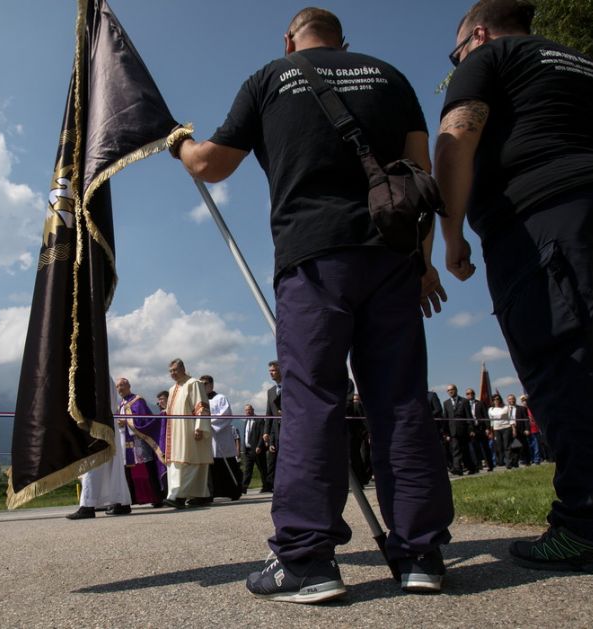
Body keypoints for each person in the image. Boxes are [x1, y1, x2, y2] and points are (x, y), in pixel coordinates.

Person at [172, 7, 453, 601]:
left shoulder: (270, 77)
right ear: (343, 40)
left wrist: (178, 142)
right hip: (393, 256)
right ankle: (420, 554)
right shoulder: (392, 77)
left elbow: (210, 164)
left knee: (312, 399)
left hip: (313, 259)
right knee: (401, 399)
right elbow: (422, 178)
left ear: (289, 39)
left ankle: (308, 560)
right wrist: (424, 262)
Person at [436, 0, 593, 575]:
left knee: (562, 357)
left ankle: (592, 525)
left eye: (456, 53)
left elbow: (456, 139)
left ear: (477, 35)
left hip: (541, 216)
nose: (459, 60)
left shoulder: (491, 56)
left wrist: (450, 235)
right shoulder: (579, 61)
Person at [66, 379, 132, 520]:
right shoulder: (105, 374)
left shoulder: (95, 373)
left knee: (93, 462)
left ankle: (88, 505)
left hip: (97, 423)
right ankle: (121, 501)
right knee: (112, 465)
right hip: (106, 422)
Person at [162, 359, 212, 509]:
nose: (173, 374)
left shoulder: (194, 383)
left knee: (190, 462)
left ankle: (178, 496)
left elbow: (201, 405)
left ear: (183, 368)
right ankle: (200, 495)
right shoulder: (172, 389)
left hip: (190, 430)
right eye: (170, 371)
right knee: (179, 462)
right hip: (175, 431)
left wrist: (200, 427)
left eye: (175, 370)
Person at [115, 378, 165, 508]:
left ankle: (156, 497)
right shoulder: (121, 404)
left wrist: (126, 422)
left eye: (122, 385)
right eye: (117, 386)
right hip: (126, 443)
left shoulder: (138, 401)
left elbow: (143, 419)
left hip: (140, 441)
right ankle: (135, 498)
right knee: (130, 471)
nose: (119, 388)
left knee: (147, 469)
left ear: (129, 386)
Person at [200, 375, 242, 503]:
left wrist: (208, 423)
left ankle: (234, 491)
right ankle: (212, 492)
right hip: (206, 439)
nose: (203, 386)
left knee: (226, 464)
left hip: (220, 438)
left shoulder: (220, 398)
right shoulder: (199, 401)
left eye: (205, 383)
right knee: (211, 467)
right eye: (200, 384)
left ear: (212, 385)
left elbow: (226, 415)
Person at [443, 385, 476, 475]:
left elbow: (469, 416)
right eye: (448, 390)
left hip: (463, 430)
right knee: (455, 450)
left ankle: (472, 467)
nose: (450, 391)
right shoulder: (446, 403)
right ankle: (457, 468)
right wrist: (446, 433)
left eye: (452, 390)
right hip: (452, 431)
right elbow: (445, 418)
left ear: (456, 390)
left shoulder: (464, 401)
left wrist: (471, 429)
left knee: (465, 451)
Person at [241, 404, 271, 493]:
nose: (247, 411)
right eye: (246, 410)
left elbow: (263, 433)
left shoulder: (259, 420)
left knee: (262, 469)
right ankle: (244, 487)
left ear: (253, 410)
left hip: (258, 450)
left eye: (249, 410)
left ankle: (266, 486)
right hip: (248, 450)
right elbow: (246, 435)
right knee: (247, 469)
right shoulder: (246, 421)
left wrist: (259, 446)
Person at [263, 361, 282, 490]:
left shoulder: (291, 387)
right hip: (275, 431)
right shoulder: (270, 392)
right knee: (274, 459)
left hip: (290, 428)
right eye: (270, 371)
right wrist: (266, 432)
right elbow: (268, 413)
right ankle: (275, 484)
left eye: (273, 370)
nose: (271, 373)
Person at [464, 387, 493, 472]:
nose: (470, 395)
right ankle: (477, 466)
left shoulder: (480, 403)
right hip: (472, 430)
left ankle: (490, 465)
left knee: (485, 448)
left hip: (481, 429)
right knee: (474, 449)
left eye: (471, 393)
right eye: (468, 394)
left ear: (474, 394)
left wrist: (488, 428)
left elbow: (486, 416)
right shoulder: (465, 405)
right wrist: (470, 430)